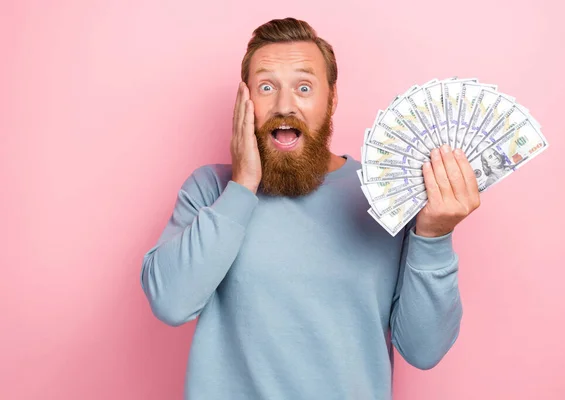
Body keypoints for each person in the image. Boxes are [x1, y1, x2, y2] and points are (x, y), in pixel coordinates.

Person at [140, 17, 481, 400]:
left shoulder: (385, 193)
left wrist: (434, 236)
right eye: (266, 87)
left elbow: (424, 350)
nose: (285, 105)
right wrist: (242, 186)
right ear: (245, 101)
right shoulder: (209, 190)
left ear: (332, 99)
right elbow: (170, 303)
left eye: (304, 87)